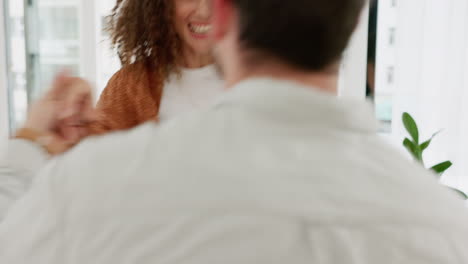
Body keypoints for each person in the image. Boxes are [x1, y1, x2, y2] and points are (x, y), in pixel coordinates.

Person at [1, 0, 468, 263]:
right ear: (356, 16)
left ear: (222, 15)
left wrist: (30, 146)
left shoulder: (85, 195)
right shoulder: (447, 229)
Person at [0, 0, 223, 219]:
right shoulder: (131, 85)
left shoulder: (254, 82)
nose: (204, 10)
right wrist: (60, 133)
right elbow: (88, 173)